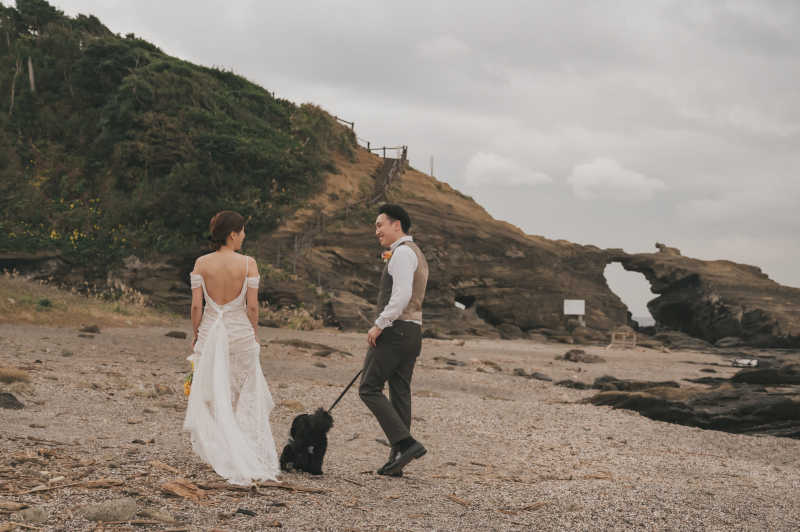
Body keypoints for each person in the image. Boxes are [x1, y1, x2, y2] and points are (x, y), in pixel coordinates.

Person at [183, 211, 280, 485]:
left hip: (210, 333)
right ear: (232, 234)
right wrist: (255, 333)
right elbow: (251, 305)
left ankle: (221, 450)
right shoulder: (249, 263)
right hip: (239, 335)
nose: (245, 236)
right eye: (243, 231)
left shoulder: (201, 263)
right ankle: (243, 448)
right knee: (243, 393)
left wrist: (195, 334)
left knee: (214, 390)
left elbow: (195, 306)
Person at [359, 204, 429, 477]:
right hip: (413, 332)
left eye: (380, 225)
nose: (376, 231)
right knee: (400, 392)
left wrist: (378, 325)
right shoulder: (417, 253)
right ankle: (398, 458)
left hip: (396, 330)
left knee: (368, 388)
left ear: (396, 225)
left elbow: (400, 296)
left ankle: (405, 443)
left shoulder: (401, 254)